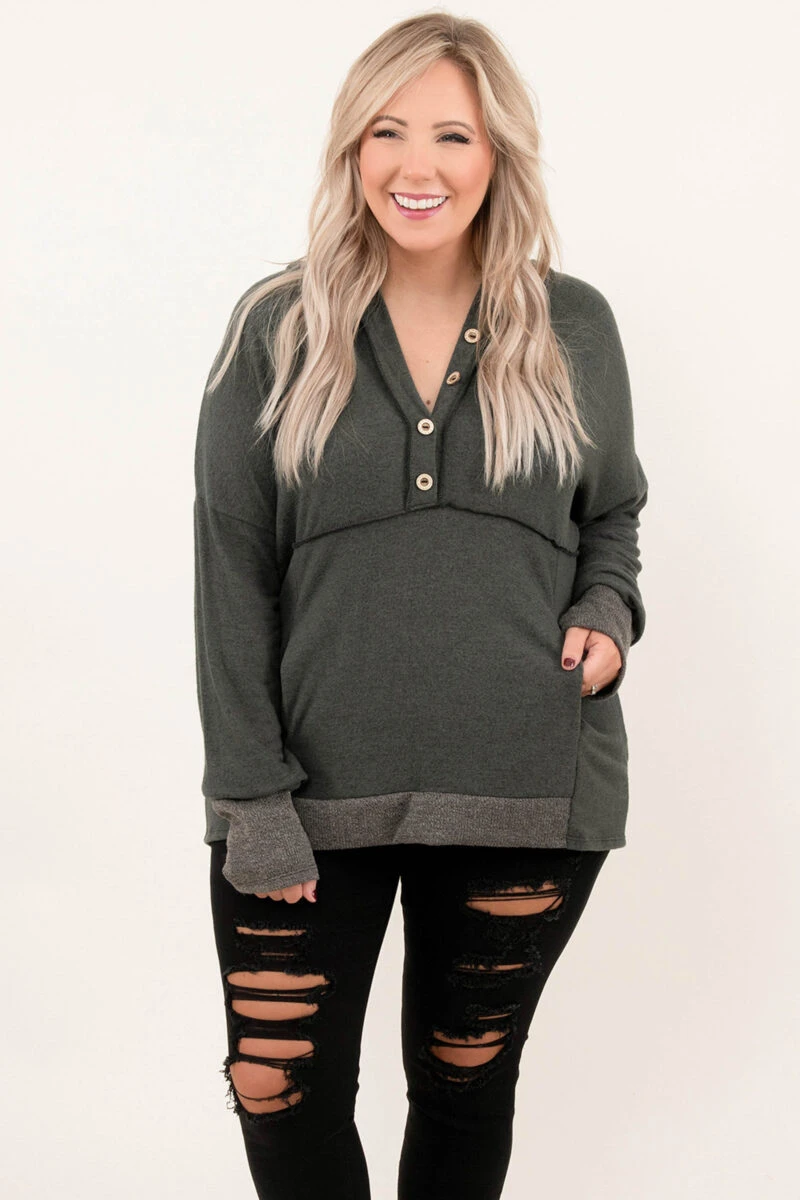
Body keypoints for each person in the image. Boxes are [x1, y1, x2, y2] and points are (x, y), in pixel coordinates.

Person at [194, 12, 648, 1200]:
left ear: (498, 154)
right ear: (351, 148)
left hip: (523, 782)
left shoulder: (573, 324)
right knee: (276, 1084)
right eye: (386, 132)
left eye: (453, 134)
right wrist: (251, 796)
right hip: (307, 796)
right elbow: (229, 566)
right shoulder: (275, 326)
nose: (416, 165)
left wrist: (605, 613)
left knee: (461, 1090)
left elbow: (611, 515)